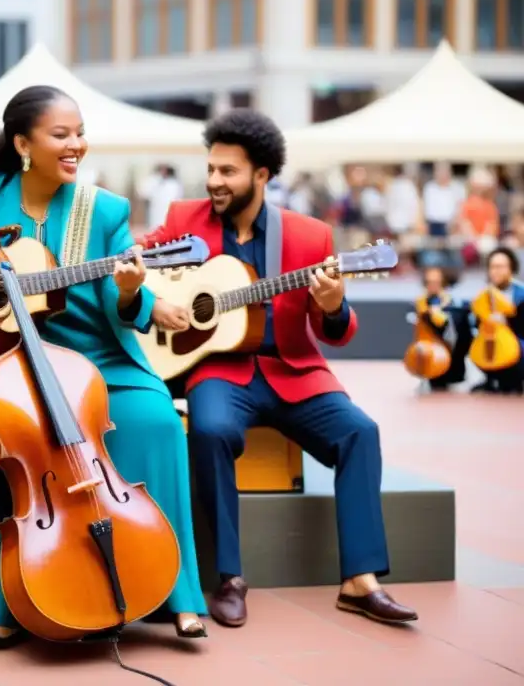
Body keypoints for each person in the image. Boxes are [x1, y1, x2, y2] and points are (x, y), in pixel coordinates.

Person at [0, 85, 207, 647]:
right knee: (2, 436)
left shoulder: (105, 210)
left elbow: (127, 304)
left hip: (96, 360)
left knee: (159, 421)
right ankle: (9, 596)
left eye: (80, 133)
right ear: (23, 143)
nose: (77, 145)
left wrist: (130, 291)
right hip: (9, 365)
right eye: (61, 134)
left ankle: (178, 592)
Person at [143, 108, 418, 628]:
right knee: (209, 429)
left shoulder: (310, 235)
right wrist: (158, 301)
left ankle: (360, 582)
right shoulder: (184, 218)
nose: (213, 181)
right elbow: (134, 268)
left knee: (361, 432)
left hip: (293, 369)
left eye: (228, 172)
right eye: (211, 169)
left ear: (262, 175)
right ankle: (229, 577)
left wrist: (335, 304)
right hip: (218, 369)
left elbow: (333, 330)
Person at [410, 266, 472, 392]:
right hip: (428, 356)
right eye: (429, 282)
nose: (432, 285)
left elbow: (457, 334)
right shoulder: (420, 303)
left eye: (436, 282)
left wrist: (441, 317)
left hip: (451, 358)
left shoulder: (454, 304)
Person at [471, 247, 524, 395]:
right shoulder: (483, 296)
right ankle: (491, 378)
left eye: (500, 267)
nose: (496, 271)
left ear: (511, 268)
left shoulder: (521, 294)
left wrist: (508, 319)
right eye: (493, 267)